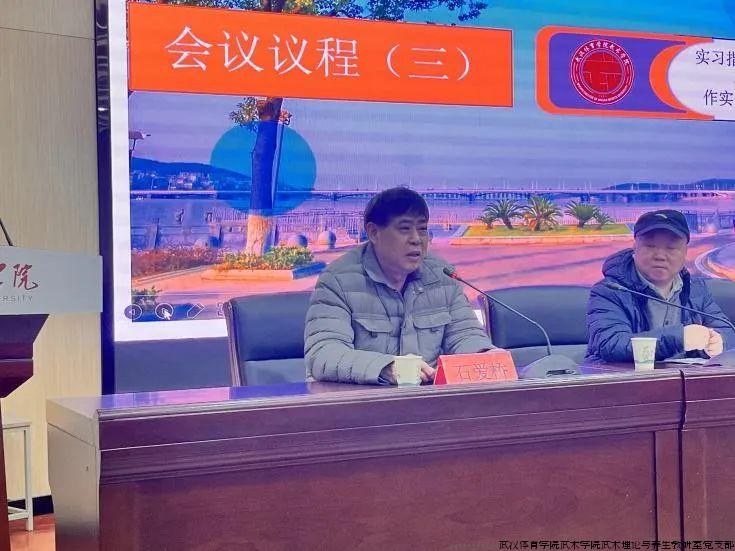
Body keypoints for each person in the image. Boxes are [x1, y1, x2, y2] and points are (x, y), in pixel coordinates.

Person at [304, 187, 493, 385]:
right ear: (374, 233)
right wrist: (385, 368)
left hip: (428, 397)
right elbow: (323, 354)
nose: (416, 239)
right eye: (404, 229)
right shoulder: (338, 280)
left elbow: (465, 335)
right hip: (365, 397)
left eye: (422, 229)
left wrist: (485, 354)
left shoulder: (442, 276)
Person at [586, 209, 734, 363]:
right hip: (627, 376)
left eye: (671, 248)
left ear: (685, 252)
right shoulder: (609, 291)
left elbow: (727, 330)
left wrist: (720, 341)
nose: (660, 256)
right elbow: (611, 345)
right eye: (650, 246)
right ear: (635, 247)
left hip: (686, 376)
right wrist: (679, 338)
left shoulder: (695, 290)